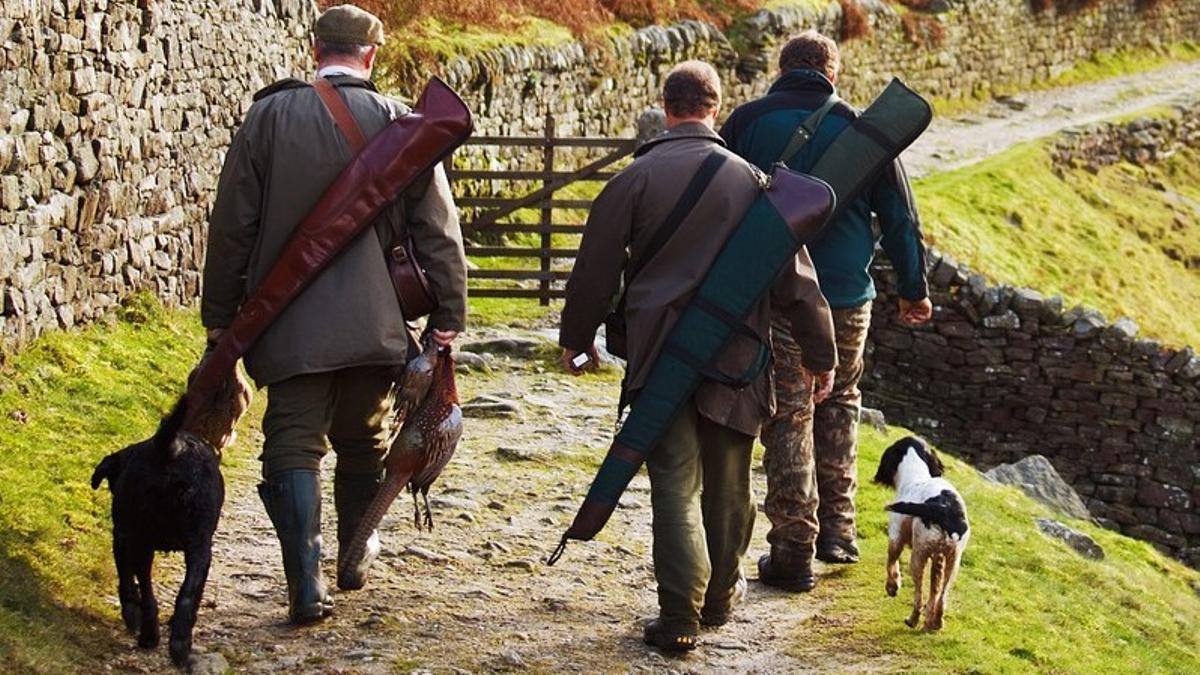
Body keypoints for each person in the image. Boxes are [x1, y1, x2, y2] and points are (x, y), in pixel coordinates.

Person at [200, 4, 467, 624]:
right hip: (378, 325)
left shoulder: (268, 116)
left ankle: (305, 585)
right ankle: (355, 551)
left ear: (314, 46)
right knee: (364, 439)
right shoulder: (402, 122)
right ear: (371, 55)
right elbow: (437, 229)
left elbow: (232, 225)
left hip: (287, 323)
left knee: (291, 444)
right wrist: (448, 314)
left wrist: (222, 319)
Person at [559, 60, 837, 650]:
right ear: (716, 107)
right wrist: (822, 353)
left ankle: (679, 616)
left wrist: (577, 338)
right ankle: (718, 599)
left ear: (667, 106)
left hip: (660, 357)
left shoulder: (633, 179)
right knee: (730, 485)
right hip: (736, 359)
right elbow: (796, 281)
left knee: (673, 484)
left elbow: (594, 272)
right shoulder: (754, 182)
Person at [720, 30, 932, 588]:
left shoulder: (745, 122)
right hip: (845, 295)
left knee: (790, 411)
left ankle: (794, 547)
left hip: (778, 292)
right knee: (840, 401)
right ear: (832, 73)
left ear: (781, 68)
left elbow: (718, 199)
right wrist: (914, 289)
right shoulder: (864, 132)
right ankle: (838, 533)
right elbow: (901, 219)